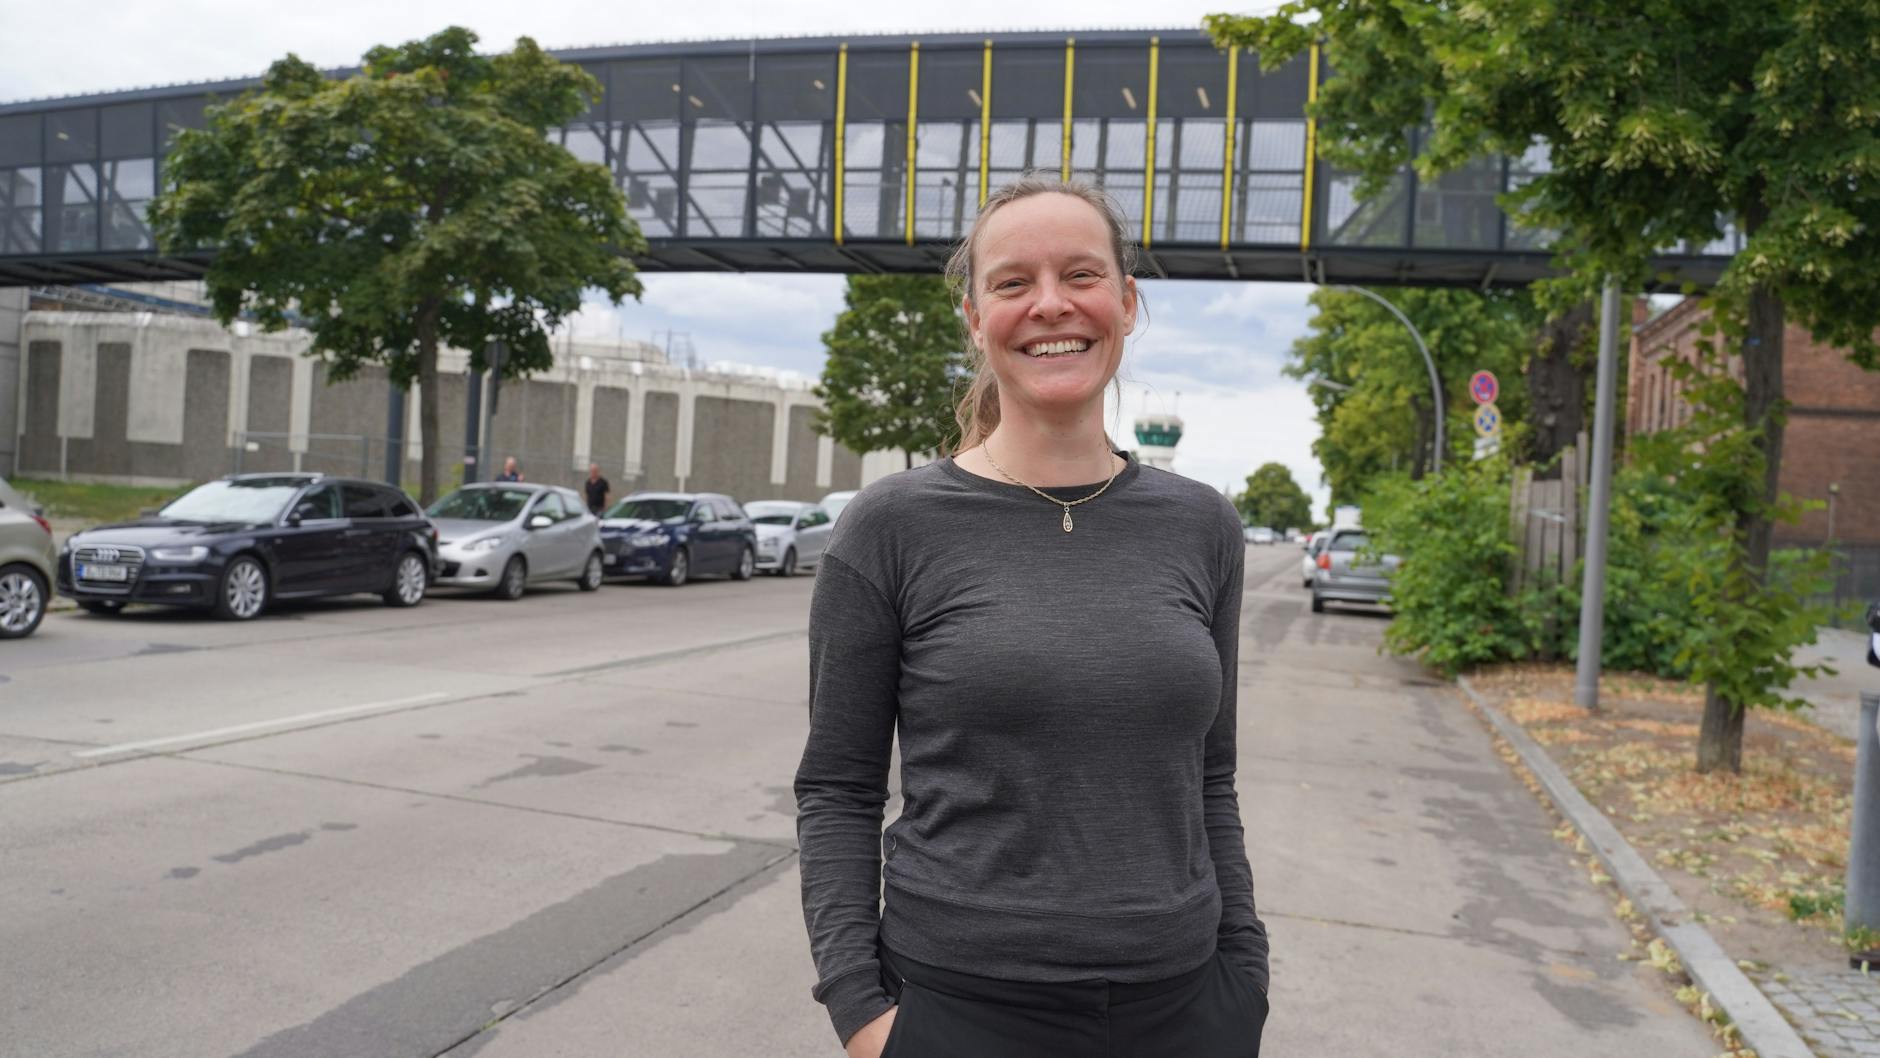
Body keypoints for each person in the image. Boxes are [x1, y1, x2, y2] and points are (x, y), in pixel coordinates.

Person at [794, 174, 1269, 1058]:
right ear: (975, 318)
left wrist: (1243, 973)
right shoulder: (889, 528)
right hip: (959, 1010)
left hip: (1187, 1006)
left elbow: (1212, 776)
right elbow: (837, 790)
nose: (1052, 305)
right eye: (1013, 283)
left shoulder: (1204, 525)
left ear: (1126, 304)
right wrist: (863, 1014)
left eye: (1081, 276)